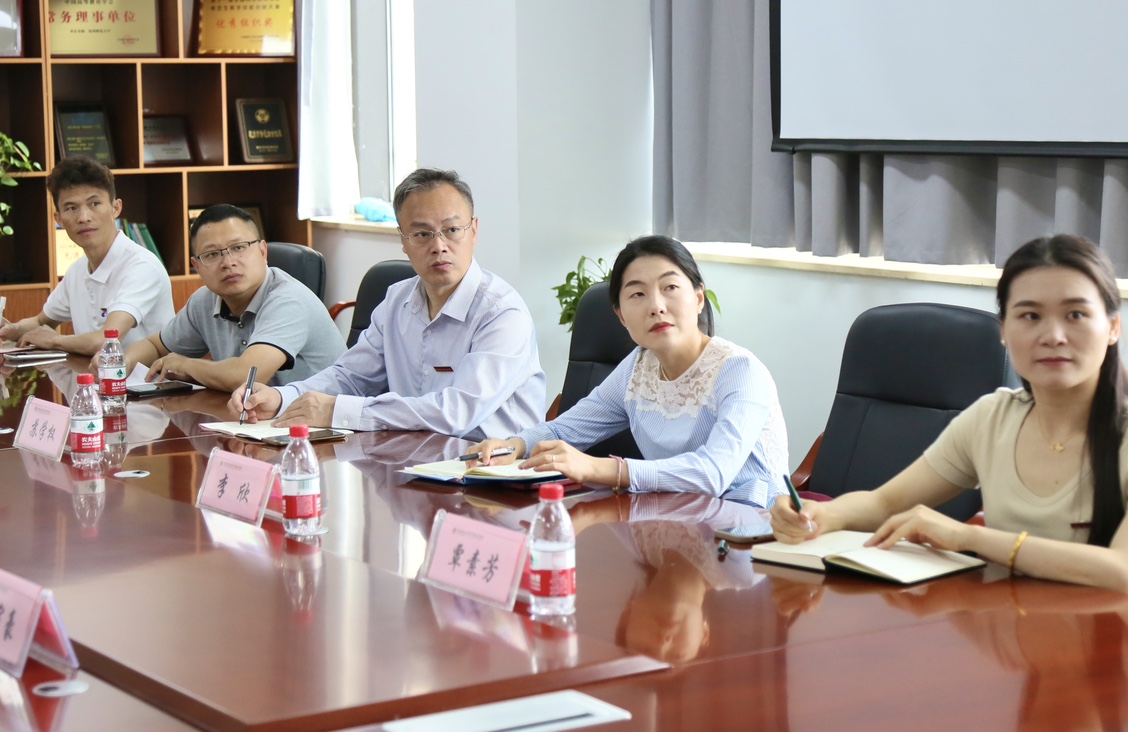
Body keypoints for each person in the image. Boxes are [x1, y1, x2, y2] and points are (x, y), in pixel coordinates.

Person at [772, 234, 1128, 601]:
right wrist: (819, 515)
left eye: (1076, 315)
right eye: (1030, 316)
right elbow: (886, 502)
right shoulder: (991, 418)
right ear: (1004, 331)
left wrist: (970, 538)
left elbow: (1127, 572)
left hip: (1125, 644)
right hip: (1021, 634)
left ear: (1113, 327)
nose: (1053, 335)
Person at [468, 235, 788, 509]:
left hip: (753, 529)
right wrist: (514, 445)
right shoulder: (638, 368)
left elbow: (713, 474)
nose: (656, 306)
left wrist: (603, 469)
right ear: (621, 317)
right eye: (638, 294)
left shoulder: (740, 371)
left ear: (698, 298)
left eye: (670, 287)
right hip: (675, 519)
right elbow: (567, 430)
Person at [230, 168, 545, 439]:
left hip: (494, 473)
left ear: (473, 230)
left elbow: (456, 413)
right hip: (416, 460)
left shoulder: (502, 313)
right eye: (422, 234)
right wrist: (282, 398)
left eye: (452, 230)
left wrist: (339, 411)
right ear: (403, 240)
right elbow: (351, 377)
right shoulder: (397, 301)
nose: (439, 246)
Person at [121, 204, 345, 392]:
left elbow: (247, 377)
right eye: (212, 254)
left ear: (263, 252)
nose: (228, 262)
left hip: (325, 423)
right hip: (259, 418)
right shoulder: (204, 301)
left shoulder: (288, 300)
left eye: (239, 248)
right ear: (197, 267)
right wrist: (121, 366)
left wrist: (187, 366)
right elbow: (155, 346)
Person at [0, 157, 174, 354]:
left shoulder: (142, 266)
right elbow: (41, 321)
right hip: (95, 373)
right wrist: (12, 330)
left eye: (94, 204)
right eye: (71, 208)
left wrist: (55, 340)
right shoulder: (77, 270)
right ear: (59, 219)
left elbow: (106, 341)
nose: (83, 217)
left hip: (146, 374)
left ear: (116, 208)